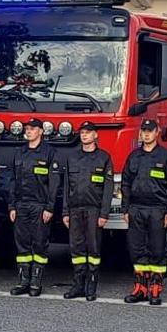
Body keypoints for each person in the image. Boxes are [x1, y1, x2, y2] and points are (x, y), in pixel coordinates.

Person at [120, 119, 167, 305]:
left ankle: (155, 289)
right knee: (136, 249)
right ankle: (140, 288)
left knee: (157, 249)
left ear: (157, 132)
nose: (146, 134)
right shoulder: (134, 157)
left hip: (158, 209)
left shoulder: (166, 157)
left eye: (150, 131)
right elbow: (126, 183)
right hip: (136, 209)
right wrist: (125, 208)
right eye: (144, 131)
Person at [60, 124, 113, 301]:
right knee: (76, 249)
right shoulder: (72, 157)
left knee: (94, 248)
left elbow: (108, 189)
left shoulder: (103, 158)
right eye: (82, 133)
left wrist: (104, 214)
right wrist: (65, 212)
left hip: (94, 210)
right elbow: (67, 186)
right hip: (75, 210)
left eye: (88, 133)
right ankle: (78, 285)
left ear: (95, 135)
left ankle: (91, 285)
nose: (84, 136)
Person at [6, 121, 58, 297]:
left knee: (39, 243)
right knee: (22, 244)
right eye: (27, 129)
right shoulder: (20, 152)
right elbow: (12, 181)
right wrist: (12, 205)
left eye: (32, 129)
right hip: (21, 204)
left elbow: (53, 184)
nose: (28, 132)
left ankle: (36, 282)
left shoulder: (49, 152)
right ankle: (23, 281)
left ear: (41, 131)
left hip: (39, 205)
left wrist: (50, 207)